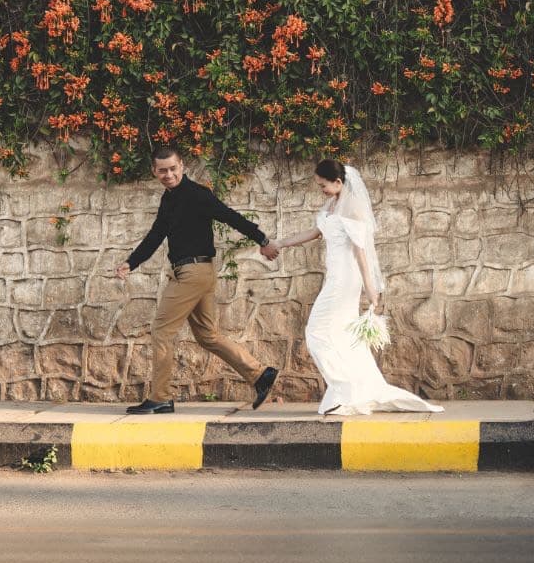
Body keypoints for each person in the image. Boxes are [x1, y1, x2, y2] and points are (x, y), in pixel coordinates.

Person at [266, 160, 443, 415]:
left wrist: (371, 289)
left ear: (338, 182)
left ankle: (343, 388)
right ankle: (350, 390)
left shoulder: (354, 208)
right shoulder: (332, 204)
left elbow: (361, 253)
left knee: (316, 331)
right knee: (342, 335)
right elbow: (314, 232)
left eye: (323, 185)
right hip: (334, 277)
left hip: (345, 280)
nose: (321, 190)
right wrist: (281, 243)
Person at [115, 145, 280, 414]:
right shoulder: (168, 199)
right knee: (207, 335)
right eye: (162, 171)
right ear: (154, 172)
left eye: (173, 169)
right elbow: (156, 235)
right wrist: (130, 262)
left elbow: (230, 216)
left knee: (161, 331)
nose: (168, 174)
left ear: (182, 166)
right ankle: (260, 374)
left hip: (191, 273)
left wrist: (263, 240)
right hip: (197, 273)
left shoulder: (197, 194)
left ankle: (160, 397)